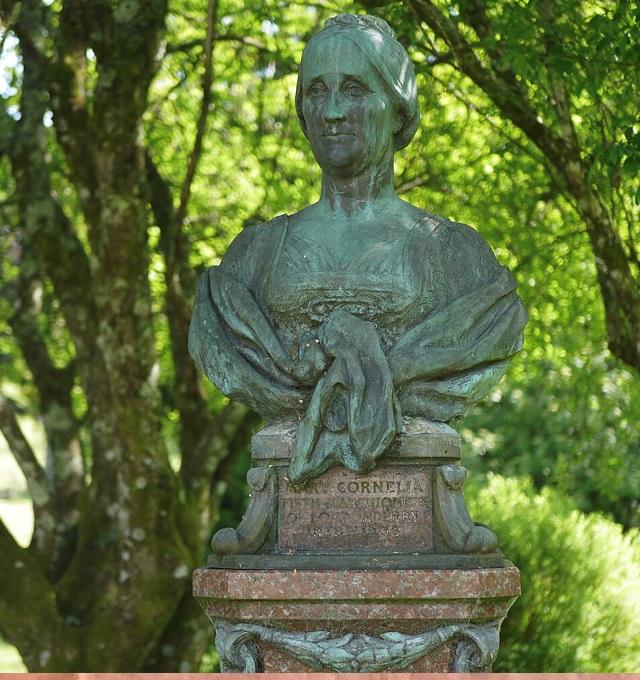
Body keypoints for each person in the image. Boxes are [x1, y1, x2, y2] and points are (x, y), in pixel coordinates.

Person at [189, 14, 527, 485]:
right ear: (303, 112)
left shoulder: (459, 260)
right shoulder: (252, 258)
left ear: (399, 108)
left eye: (353, 89)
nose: (331, 112)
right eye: (316, 91)